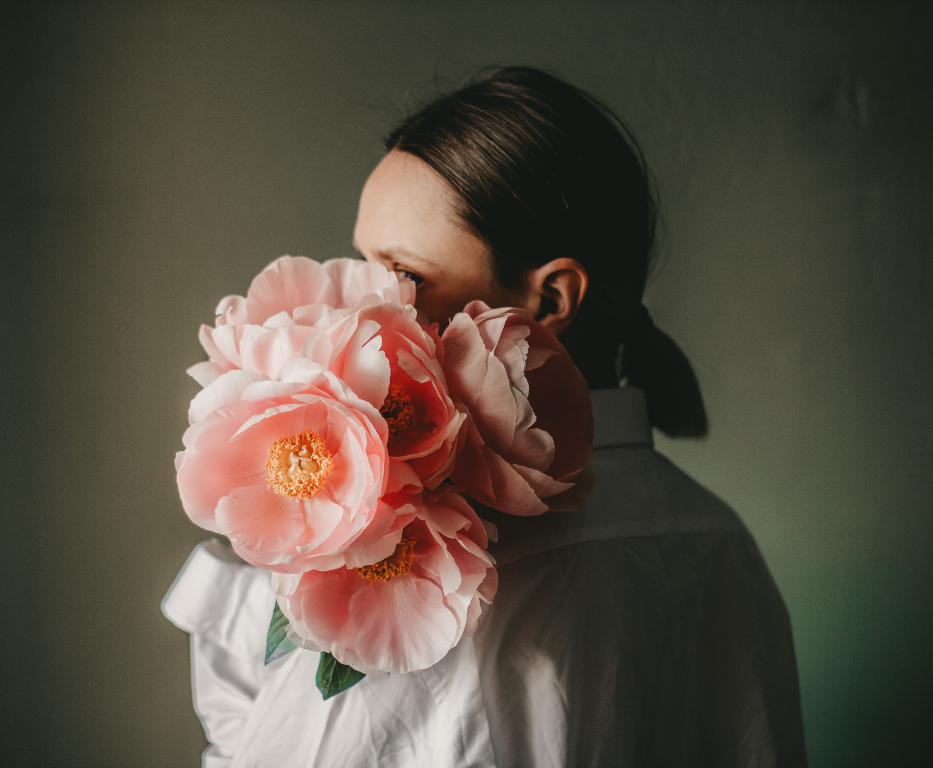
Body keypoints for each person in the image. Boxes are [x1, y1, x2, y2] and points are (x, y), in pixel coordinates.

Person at [163, 67, 808, 767]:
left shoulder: (435, 572)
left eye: (403, 275)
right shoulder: (717, 543)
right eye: (360, 262)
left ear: (552, 301)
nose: (361, 306)